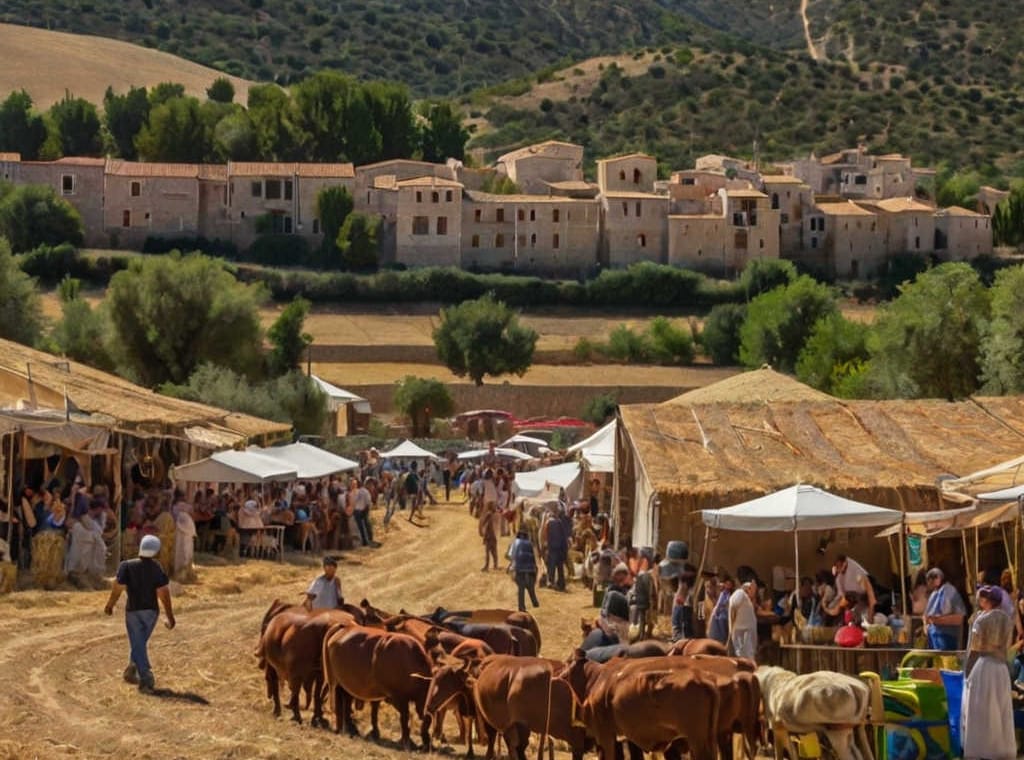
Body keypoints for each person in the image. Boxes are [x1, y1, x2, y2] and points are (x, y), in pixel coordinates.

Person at [104, 535, 175, 693]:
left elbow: (117, 588)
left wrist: (110, 605)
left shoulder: (126, 566)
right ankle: (134, 670)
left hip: (133, 611)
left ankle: (144, 675)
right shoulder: (157, 568)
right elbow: (163, 593)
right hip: (151, 612)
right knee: (139, 642)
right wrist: (170, 616)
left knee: (138, 641)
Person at [961, 586, 1016, 760]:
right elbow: (1007, 647)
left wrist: (967, 670)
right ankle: (1000, 748)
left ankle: (982, 749)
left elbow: (975, 647)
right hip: (1001, 668)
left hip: (984, 666)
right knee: (1000, 708)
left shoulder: (981, 620)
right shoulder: (1008, 620)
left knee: (981, 708)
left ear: (986, 600)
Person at [67, 498, 108, 589]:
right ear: (97, 508)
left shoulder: (95, 520)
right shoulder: (82, 521)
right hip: (81, 548)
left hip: (89, 548)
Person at [923, 567, 967, 651]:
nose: (929, 583)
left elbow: (959, 618)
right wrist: (925, 624)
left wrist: (937, 620)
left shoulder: (950, 591)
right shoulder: (934, 594)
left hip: (946, 636)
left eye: (932, 579)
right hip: (933, 636)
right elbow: (926, 614)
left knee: (946, 661)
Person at [510, 529, 539, 612]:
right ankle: (535, 603)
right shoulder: (529, 543)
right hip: (530, 569)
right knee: (530, 587)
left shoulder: (515, 543)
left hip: (519, 569)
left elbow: (511, 556)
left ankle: (521, 607)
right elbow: (533, 558)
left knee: (521, 588)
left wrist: (512, 567)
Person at [728, 580, 758, 660]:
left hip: (746, 631)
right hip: (741, 632)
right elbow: (734, 605)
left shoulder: (747, 599)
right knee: (744, 655)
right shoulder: (740, 593)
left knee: (748, 654)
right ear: (748, 589)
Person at [544, 507, 570, 591]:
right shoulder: (559, 522)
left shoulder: (548, 523)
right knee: (560, 566)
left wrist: (546, 547)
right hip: (560, 547)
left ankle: (551, 582)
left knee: (551, 565)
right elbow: (564, 536)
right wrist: (565, 548)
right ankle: (561, 583)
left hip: (552, 547)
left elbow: (546, 536)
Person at [708, 575, 735, 644]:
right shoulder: (723, 593)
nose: (728, 586)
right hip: (721, 613)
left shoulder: (730, 594)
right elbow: (719, 604)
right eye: (727, 584)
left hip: (727, 612)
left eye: (730, 584)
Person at [350, 478, 376, 548]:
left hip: (357, 511)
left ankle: (365, 541)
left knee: (361, 527)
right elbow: (368, 504)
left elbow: (356, 502)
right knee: (366, 525)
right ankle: (369, 540)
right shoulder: (366, 492)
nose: (372, 487)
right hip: (362, 510)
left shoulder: (360, 491)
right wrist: (365, 511)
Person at [478, 501, 499, 571]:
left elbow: (483, 523)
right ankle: (495, 565)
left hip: (489, 536)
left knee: (488, 552)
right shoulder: (493, 514)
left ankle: (487, 566)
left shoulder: (489, 514)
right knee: (493, 552)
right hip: (492, 536)